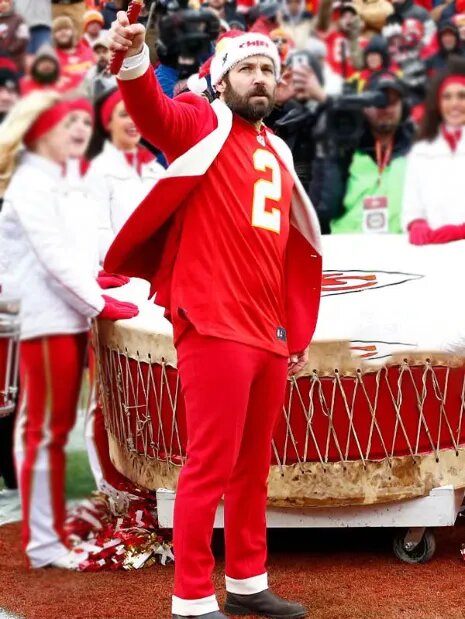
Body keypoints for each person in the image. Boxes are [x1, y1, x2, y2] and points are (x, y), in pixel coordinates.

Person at [107, 13, 321, 619]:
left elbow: (285, 251)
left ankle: (249, 582)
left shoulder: (277, 147)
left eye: (267, 71)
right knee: (209, 465)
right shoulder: (203, 123)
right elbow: (152, 113)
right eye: (246, 68)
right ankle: (193, 597)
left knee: (253, 468)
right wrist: (133, 58)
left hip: (266, 331)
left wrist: (291, 329)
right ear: (221, 80)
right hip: (212, 322)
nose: (258, 78)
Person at [0, 90, 138, 568]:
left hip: (67, 313)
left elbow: (68, 256)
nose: (81, 130)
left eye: (84, 122)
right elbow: (51, 258)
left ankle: (46, 534)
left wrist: (95, 280)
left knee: (51, 428)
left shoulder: (60, 182)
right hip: (45, 321)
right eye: (69, 123)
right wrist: (99, 300)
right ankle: (43, 541)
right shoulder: (31, 185)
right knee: (43, 429)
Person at [327, 71, 413, 234]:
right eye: (379, 100)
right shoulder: (345, 149)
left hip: (402, 252)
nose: (386, 108)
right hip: (349, 251)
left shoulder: (418, 153)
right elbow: (325, 208)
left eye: (393, 101)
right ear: (364, 106)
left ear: (404, 107)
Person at [85, 87, 165, 262]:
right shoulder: (97, 171)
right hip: (123, 277)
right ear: (108, 122)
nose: (133, 121)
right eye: (124, 115)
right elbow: (98, 232)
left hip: (158, 273)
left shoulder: (157, 171)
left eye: (136, 114)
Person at [403, 61, 465, 245]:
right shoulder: (421, 151)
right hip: (433, 251)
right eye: (447, 97)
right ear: (438, 103)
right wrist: (416, 224)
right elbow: (412, 205)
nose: (454, 104)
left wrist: (460, 232)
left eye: (462, 96)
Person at [52, 15, 95, 84]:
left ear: (73, 31)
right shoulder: (51, 58)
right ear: (53, 35)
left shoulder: (88, 51)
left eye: (66, 28)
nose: (63, 32)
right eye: (58, 30)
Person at [0, 0, 29, 73]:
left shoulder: (19, 19)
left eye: (6, 1)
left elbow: (23, 39)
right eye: (0, 2)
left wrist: (8, 50)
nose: (3, 4)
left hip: (16, 63)